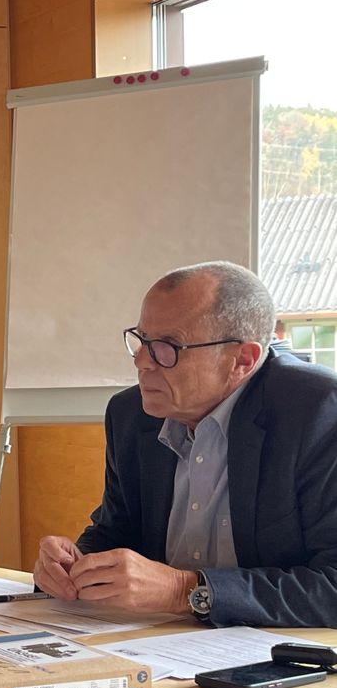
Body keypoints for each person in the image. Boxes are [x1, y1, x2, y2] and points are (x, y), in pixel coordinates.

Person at [35, 261, 337, 628]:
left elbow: (331, 586)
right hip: (162, 649)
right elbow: (118, 531)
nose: (142, 362)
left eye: (167, 347)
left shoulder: (318, 412)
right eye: (141, 340)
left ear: (242, 360)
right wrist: (75, 564)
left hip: (283, 660)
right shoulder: (131, 415)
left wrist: (185, 591)